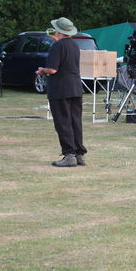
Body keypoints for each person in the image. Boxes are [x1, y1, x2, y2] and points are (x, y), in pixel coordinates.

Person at [36, 17, 87, 167]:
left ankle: (69, 154)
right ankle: (78, 154)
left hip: (61, 88)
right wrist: (55, 40)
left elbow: (53, 69)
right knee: (75, 121)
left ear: (58, 31)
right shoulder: (74, 45)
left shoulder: (57, 47)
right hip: (75, 87)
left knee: (63, 122)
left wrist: (42, 71)